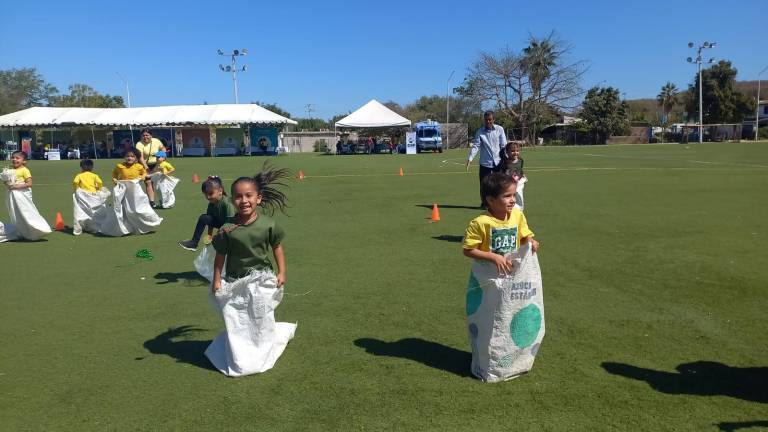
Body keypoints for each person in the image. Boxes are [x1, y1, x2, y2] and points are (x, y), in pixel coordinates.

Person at [211, 165, 290, 292]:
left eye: (249, 195)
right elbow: (220, 256)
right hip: (235, 281)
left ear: (258, 198)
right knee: (234, 313)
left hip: (262, 279)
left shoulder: (269, 224)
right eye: (238, 197)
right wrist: (217, 280)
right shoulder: (226, 229)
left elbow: (277, 247)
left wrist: (281, 272)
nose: (244, 201)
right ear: (231, 200)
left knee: (261, 312)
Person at [462, 172, 539, 274]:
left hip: (512, 271)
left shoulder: (517, 215)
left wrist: (531, 242)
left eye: (514, 195)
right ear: (490, 200)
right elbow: (468, 250)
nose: (513, 200)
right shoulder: (480, 223)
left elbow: (525, 236)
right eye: (507, 196)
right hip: (487, 275)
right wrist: (493, 257)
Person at [1, 151, 51, 240]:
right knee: (17, 213)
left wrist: (16, 186)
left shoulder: (25, 170)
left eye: (17, 158)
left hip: (22, 195)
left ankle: (38, 229)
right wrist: (7, 182)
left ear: (24, 161)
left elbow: (29, 184)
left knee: (26, 211)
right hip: (13, 195)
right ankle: (22, 230)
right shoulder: (10, 170)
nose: (14, 159)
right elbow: (6, 183)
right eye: (13, 157)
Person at [178, 176, 236, 251]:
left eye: (211, 193)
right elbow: (209, 220)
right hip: (222, 223)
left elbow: (230, 222)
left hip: (233, 225)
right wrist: (209, 236)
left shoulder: (227, 203)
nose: (208, 197)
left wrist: (218, 234)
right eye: (206, 194)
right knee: (204, 218)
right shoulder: (211, 203)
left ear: (220, 191)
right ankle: (194, 243)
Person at [466, 111, 508, 208]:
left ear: (494, 119)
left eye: (490, 119)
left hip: (498, 162)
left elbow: (503, 145)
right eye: (486, 120)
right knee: (484, 185)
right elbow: (476, 146)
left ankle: (499, 202)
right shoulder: (480, 132)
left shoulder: (499, 129)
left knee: (500, 184)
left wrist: (506, 158)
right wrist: (470, 159)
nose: (488, 121)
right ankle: (485, 203)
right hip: (485, 163)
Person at [72, 159, 108, 236]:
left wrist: (76, 189)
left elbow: (75, 182)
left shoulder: (79, 175)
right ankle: (94, 227)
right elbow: (100, 182)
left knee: (83, 210)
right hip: (93, 194)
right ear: (92, 167)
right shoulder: (94, 175)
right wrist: (99, 189)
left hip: (83, 195)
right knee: (93, 210)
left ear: (81, 167)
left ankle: (81, 227)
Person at [135, 129, 166, 207]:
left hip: (156, 164)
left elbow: (163, 148)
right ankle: (152, 202)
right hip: (144, 165)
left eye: (147, 135)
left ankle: (164, 200)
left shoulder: (156, 141)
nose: (145, 137)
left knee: (159, 183)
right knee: (148, 182)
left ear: (151, 136)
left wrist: (162, 155)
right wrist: (145, 166)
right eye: (143, 135)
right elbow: (140, 157)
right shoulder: (139, 144)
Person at [499, 141, 527, 210]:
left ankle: (519, 210)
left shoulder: (520, 160)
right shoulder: (505, 162)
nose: (515, 153)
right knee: (508, 196)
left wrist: (522, 175)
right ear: (507, 152)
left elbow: (520, 170)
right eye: (512, 151)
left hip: (518, 183)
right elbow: (502, 172)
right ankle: (508, 208)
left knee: (519, 195)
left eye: (517, 151)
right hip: (508, 183)